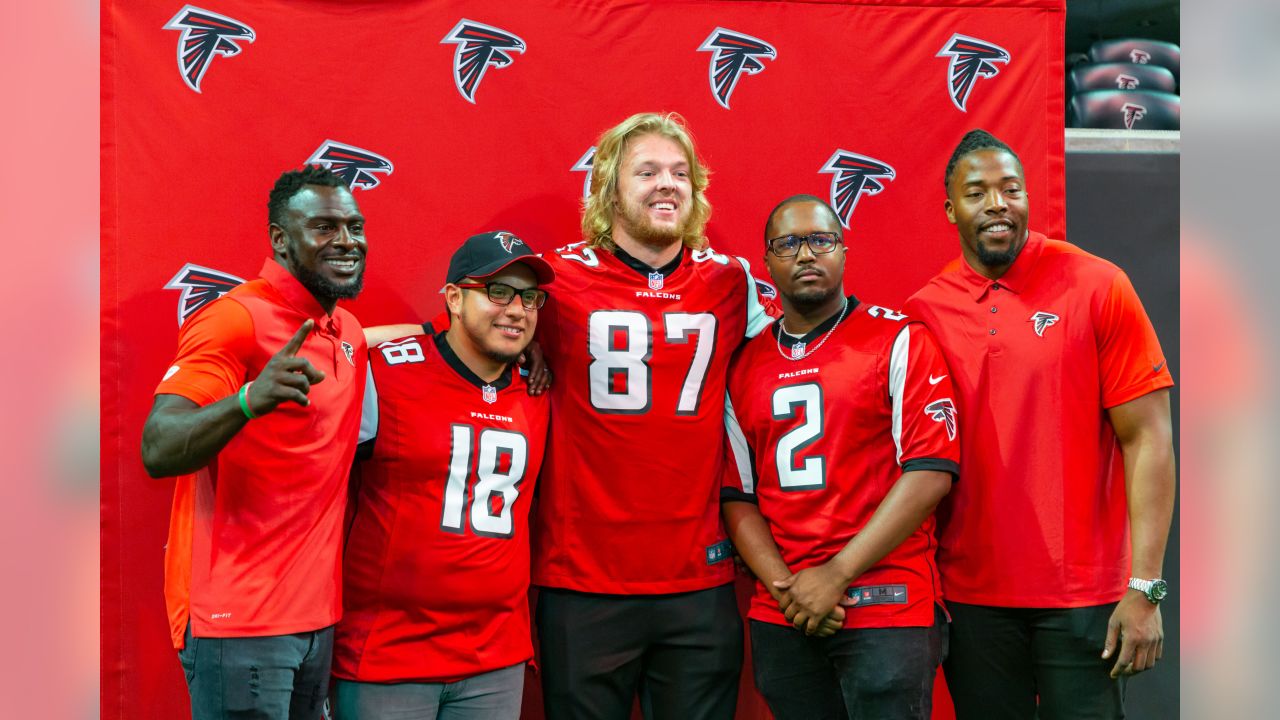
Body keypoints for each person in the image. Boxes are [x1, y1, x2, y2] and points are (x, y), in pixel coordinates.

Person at [904, 129, 1176, 719]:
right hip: (971, 598)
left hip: (1084, 598)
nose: (998, 203)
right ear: (950, 208)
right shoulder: (924, 311)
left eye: (1011, 189)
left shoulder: (1099, 285)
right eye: (977, 192)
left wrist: (1146, 586)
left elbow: (1148, 437)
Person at [532, 112, 775, 719]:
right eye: (647, 172)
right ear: (609, 187)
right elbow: (459, 338)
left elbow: (805, 356)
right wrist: (350, 339)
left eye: (679, 173)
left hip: (698, 577)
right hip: (582, 579)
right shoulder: (552, 279)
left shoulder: (731, 280)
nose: (667, 184)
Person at [140, 166, 369, 720]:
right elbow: (158, 446)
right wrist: (247, 401)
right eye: (324, 227)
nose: (347, 241)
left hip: (317, 618)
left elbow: (380, 342)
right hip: (238, 624)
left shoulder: (347, 331)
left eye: (355, 226)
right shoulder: (234, 319)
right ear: (280, 240)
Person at [722, 195, 958, 720]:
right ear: (766, 262)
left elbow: (930, 474)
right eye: (788, 243)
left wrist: (835, 574)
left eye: (820, 240)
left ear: (844, 252)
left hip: (886, 601)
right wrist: (789, 590)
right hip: (785, 612)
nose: (806, 254)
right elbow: (738, 496)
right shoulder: (743, 365)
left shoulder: (898, 340)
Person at [331, 231, 555, 719]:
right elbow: (301, 357)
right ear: (453, 297)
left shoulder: (538, 389)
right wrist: (368, 338)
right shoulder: (388, 373)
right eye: (497, 292)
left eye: (529, 297)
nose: (517, 309)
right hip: (390, 654)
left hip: (495, 657)